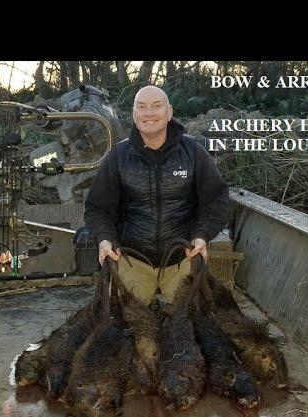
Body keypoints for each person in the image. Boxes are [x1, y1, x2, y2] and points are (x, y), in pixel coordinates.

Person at [84, 85, 229, 306]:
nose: (149, 113)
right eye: (141, 107)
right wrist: (104, 239)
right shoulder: (117, 157)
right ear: (134, 115)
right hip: (133, 261)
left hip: (182, 259)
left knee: (191, 323)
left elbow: (216, 201)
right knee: (126, 324)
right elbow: (97, 208)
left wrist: (202, 235)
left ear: (169, 112)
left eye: (156, 106)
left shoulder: (194, 152)